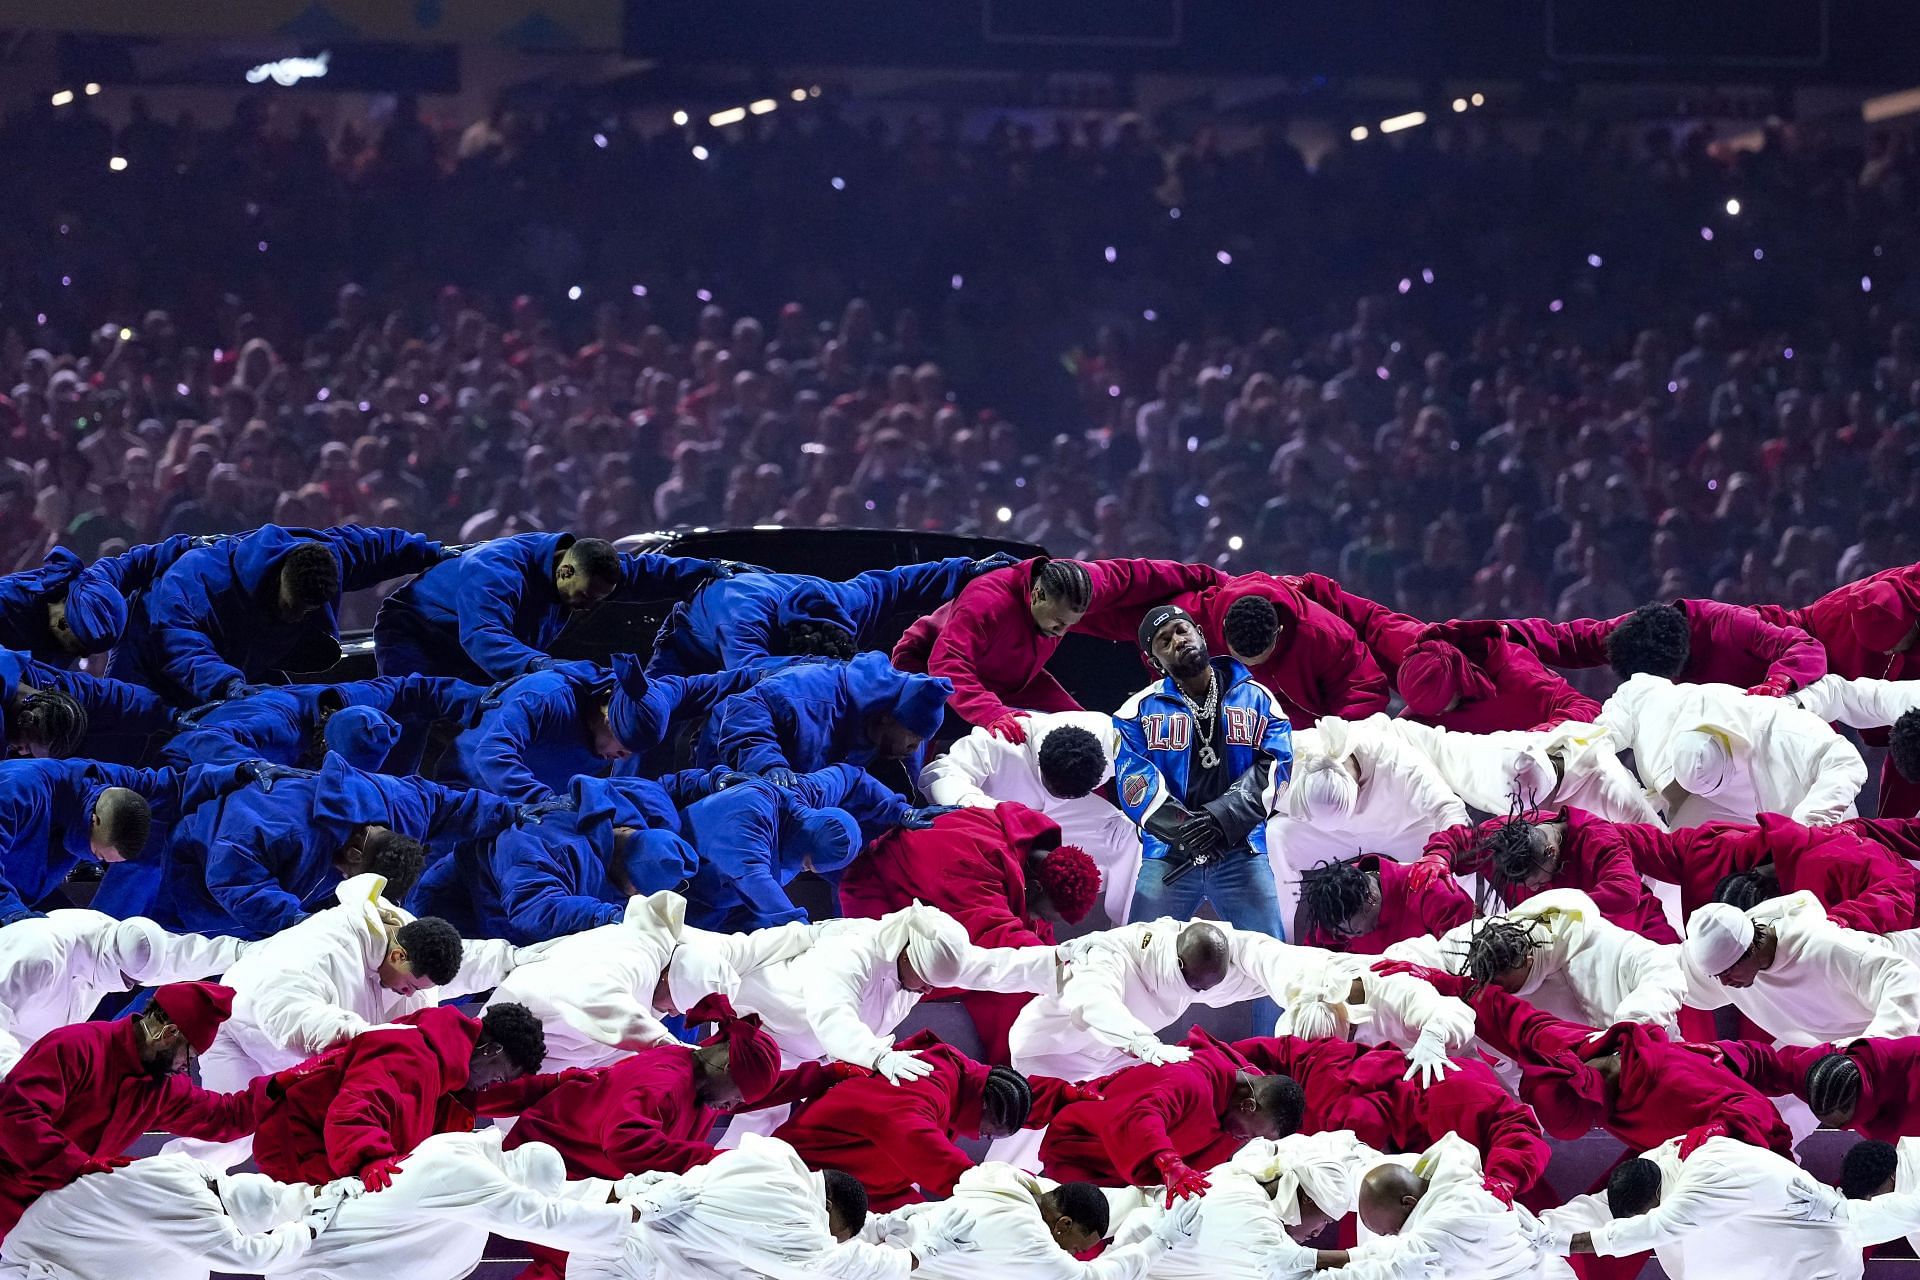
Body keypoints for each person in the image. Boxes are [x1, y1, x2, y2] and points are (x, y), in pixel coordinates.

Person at [1394, 961, 1793, 1155]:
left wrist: (1710, 1137)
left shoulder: (1674, 1089)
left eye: (1591, 1122)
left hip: (1750, 1133)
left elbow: (1756, 1111)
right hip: (1669, 1142)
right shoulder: (1563, 1050)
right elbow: (1506, 1014)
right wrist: (1435, 982)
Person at [195, 872, 525, 1093]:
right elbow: (287, 1014)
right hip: (239, 1029)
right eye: (410, 985)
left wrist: (514, 959)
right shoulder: (321, 949)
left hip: (302, 1065)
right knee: (227, 1136)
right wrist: (374, 1037)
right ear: (397, 957)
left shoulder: (413, 945)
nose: (409, 993)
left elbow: (467, 961)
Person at [135, 753, 519, 940]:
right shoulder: (278, 827)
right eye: (352, 877)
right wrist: (309, 927)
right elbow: (234, 879)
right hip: (188, 875)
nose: (345, 881)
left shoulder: (404, 807)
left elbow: (455, 805)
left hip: (277, 885)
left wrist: (515, 813)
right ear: (354, 854)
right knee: (146, 953)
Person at [0, 982, 266, 1237]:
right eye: (190, 1055)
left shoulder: (162, 1088)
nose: (187, 1066)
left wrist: (282, 1087)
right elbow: (17, 1117)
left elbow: (225, 1117)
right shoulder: (76, 1046)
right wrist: (77, 1166)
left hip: (52, 1216)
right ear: (169, 1034)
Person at [840, 803, 1101, 1061]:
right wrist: (1072, 976)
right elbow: (994, 939)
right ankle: (1023, 1072)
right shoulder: (972, 862)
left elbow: (1035, 933)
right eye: (1044, 915)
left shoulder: (1030, 856)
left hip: (940, 892)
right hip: (878, 892)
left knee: (1036, 976)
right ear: (1033, 887)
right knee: (1001, 982)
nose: (1043, 923)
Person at [109, 524, 449, 706]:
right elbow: (181, 647)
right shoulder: (200, 583)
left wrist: (434, 553)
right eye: (291, 607)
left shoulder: (320, 559)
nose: (296, 617)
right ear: (275, 583)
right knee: (123, 740)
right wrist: (227, 685)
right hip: (146, 658)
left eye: (307, 611)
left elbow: (374, 548)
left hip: (237, 661)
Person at [895, 557, 1220, 739]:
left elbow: (1144, 576)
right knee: (916, 733)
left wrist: (1217, 579)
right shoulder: (985, 602)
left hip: (1014, 676)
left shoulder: (1080, 583)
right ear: (1037, 595)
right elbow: (948, 663)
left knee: (1092, 733)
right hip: (926, 665)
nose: (1061, 632)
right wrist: (990, 712)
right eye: (1058, 623)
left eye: (1069, 625)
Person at [1115, 605, 1291, 941]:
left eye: (1182, 630)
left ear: (1200, 632)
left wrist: (1221, 819)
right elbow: (1132, 781)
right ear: (1155, 663)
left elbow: (1277, 766)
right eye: (1164, 641)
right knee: (1139, 960)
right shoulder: (1135, 712)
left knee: (1272, 962)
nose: (1177, 641)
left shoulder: (1258, 698)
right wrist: (1186, 830)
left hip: (1242, 852)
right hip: (1168, 857)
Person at [248, 1129, 634, 1280]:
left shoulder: (473, 1214)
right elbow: (533, 1217)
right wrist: (631, 1217)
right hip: (320, 1269)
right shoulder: (457, 1166)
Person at [731, 904, 1054, 1083]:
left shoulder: (934, 955)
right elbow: (832, 1014)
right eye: (925, 981)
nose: (928, 991)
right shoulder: (851, 951)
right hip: (759, 1029)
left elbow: (995, 966)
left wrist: (1060, 962)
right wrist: (877, 1055)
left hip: (809, 1057)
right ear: (904, 954)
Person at [250, 1003, 547, 1187]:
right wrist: (370, 1159)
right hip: (300, 1152)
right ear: (492, 1050)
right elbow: (358, 1105)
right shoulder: (413, 1054)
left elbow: (488, 1098)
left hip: (323, 1154)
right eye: (496, 1077)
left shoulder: (444, 1059)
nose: (489, 1087)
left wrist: (556, 1083)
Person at [569, 1133, 940, 1280]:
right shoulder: (798, 1223)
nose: (824, 1240)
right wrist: (913, 1258)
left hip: (613, 1243)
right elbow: (828, 1263)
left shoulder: (770, 1159)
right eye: (832, 1235)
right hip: (622, 1267)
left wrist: (877, 1228)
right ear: (825, 1208)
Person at [375, 532, 725, 682]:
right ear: (565, 570)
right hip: (416, 632)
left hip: (470, 648)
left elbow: (648, 571)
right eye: (585, 597)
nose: (587, 607)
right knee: (408, 717)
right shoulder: (496, 571)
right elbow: (484, 635)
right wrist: (539, 663)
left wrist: (712, 568)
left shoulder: (586, 570)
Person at [407, 774, 703, 946]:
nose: (635, 898)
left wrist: (711, 781)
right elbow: (532, 908)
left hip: (503, 934)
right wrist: (608, 916)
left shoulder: (635, 817)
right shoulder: (547, 846)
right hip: (456, 911)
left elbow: (670, 786)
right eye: (636, 892)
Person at [775, 1031, 1052, 1208]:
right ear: (985, 1109)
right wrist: (989, 1190)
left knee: (930, 1230)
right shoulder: (929, 1085)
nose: (980, 1138)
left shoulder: (962, 1079)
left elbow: (1027, 1099)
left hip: (865, 1175)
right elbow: (911, 1132)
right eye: (989, 1133)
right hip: (809, 1163)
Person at [920, 710, 1141, 925]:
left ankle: (1134, 928)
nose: (1059, 795)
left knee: (1126, 834)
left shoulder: (1108, 738)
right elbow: (939, 773)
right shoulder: (1003, 743)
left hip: (1057, 817)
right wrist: (995, 815)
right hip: (990, 819)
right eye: (1056, 789)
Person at [500, 1012, 784, 1179]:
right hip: (549, 1167)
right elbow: (626, 1143)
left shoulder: (698, 1073)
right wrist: (718, 1162)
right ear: (726, 1066)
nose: (730, 1107)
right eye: (737, 1098)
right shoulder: (664, 1084)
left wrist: (825, 1074)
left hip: (580, 1167)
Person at [1539, 1132, 1857, 1280]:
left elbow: (1655, 1228)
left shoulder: (1705, 1175)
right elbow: (1599, 1209)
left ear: (1654, 1202)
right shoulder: (1650, 1169)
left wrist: (1560, 1243)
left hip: (1820, 1262)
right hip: (1759, 1253)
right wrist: (1540, 1233)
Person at [484, 889, 740, 1071]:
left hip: (539, 1057)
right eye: (678, 1005)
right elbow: (592, 995)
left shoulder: (650, 985)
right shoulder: (634, 955)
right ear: (671, 981)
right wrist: (665, 1044)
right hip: (501, 1041)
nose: (674, 1015)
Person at [678, 764, 938, 932]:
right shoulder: (754, 812)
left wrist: (899, 810)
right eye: (807, 864)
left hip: (732, 902)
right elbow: (755, 879)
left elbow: (851, 777)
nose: (804, 870)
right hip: (683, 889)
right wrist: (807, 932)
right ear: (805, 849)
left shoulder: (807, 797)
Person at [1395, 888, 1688, 1035]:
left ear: (1530, 958)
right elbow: (1420, 956)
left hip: (1642, 1049)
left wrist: (1630, 1027)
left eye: (1507, 985)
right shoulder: (1477, 944)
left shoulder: (1598, 940)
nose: (1498, 992)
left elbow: (1666, 974)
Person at [647, 553, 999, 675]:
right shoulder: (743, 625)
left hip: (755, 608)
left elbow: (900, 582)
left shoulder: (845, 602)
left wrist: (966, 569)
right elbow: (745, 677)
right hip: (690, 637)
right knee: (643, 717)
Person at [1007, 920, 1270, 1081]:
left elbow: (1254, 978)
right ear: (1178, 962)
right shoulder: (1103, 957)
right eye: (1194, 985)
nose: (1196, 993)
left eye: (1201, 989)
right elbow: (1096, 1004)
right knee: (1025, 1134)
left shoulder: (1188, 975)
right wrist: (1145, 1044)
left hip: (1103, 1059)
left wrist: (1299, 980)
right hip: (1044, 1056)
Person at [1596, 673, 1867, 828]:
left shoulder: (1777, 726)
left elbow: (1846, 763)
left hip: (1811, 817)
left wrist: (1807, 825)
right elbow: (1601, 735)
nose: (1712, 790)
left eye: (1714, 785)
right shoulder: (1651, 703)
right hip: (1713, 814)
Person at [0, 1151, 322, 1280]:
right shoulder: (186, 1203)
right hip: (37, 1260)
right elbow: (252, 1259)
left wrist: (314, 1199)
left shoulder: (200, 1175)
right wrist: (309, 1231)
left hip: (70, 1253)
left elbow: (273, 1201)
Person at [1758, 563, 1920, 818]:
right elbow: (1843, 694)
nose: (1888, 653)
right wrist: (1788, 697)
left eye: (1891, 645)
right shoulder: (1841, 608)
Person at [863, 1160, 1204, 1280]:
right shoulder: (1026, 1236)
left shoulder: (1013, 1185)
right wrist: (1162, 1241)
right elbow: (1092, 1278)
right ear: (1064, 1225)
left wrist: (1152, 1194)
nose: (1070, 1255)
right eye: (1073, 1248)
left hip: (873, 1241)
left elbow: (1082, 1196)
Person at [1265, 716, 1468, 917]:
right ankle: (1281, 936)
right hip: (1335, 837)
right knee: (1274, 837)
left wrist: (1441, 855)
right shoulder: (1285, 762)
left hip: (1405, 829)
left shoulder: (1398, 762)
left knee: (1458, 854)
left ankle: (1473, 920)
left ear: (1357, 786)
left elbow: (1450, 808)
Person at [0, 910, 244, 1077]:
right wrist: (20, 1081)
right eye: (128, 980)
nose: (127, 986)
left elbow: (179, 957)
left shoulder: (118, 941)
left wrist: (243, 952)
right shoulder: (39, 950)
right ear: (113, 963)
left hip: (27, 1065)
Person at [1038, 1038, 1304, 1188]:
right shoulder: (1191, 1082)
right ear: (1247, 1105)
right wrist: (1169, 1163)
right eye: (1251, 1132)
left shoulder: (1245, 1087)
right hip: (1081, 1151)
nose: (1244, 1138)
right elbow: (1142, 1115)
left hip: (1120, 1171)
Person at [1681, 897, 1920, 1047]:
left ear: (1750, 947)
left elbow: (1902, 979)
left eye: (1728, 971)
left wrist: (1866, 1053)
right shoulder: (1734, 960)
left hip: (1909, 989)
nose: (1724, 982)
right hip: (1846, 1035)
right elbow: (1668, 969)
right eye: (1716, 976)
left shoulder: (1825, 947)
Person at [1424, 807, 1679, 944]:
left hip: (1634, 932)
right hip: (1553, 947)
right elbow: (1455, 842)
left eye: (1535, 882)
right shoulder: (1505, 836)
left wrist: (1546, 912)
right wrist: (1437, 858)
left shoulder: (1597, 836)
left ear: (1550, 851)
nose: (1533, 891)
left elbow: (1625, 892)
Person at [1170, 573, 1392, 729]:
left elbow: (1363, 690)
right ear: (1224, 626)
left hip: (1312, 731)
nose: (1253, 667)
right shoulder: (1191, 622)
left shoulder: (1325, 636)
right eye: (1244, 660)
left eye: (1259, 660)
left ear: (1280, 631)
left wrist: (1337, 746)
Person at [692, 650, 952, 783]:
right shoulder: (813, 691)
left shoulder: (894, 732)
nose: (915, 748)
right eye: (914, 738)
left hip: (792, 772)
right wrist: (767, 764)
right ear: (888, 718)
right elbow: (744, 709)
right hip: (727, 751)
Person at [1342, 1134, 1573, 1280]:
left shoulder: (1454, 1217)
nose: (1392, 1235)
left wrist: (1312, 1260)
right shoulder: (1445, 1184)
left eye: (1388, 1230)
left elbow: (1388, 1258)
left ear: (1408, 1203)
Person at [161, 675, 483, 775]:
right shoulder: (276, 724)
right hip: (185, 769)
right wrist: (254, 767)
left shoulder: (360, 702)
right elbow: (204, 739)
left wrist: (477, 701)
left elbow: (416, 689)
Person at [1504, 598, 1827, 695]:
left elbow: (1805, 646)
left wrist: (1778, 683)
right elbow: (1569, 640)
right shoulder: (1634, 633)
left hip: (1787, 727)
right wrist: (1500, 633)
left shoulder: (1731, 625)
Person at [0, 758, 160, 924]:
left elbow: (168, 785)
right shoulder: (16, 791)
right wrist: (13, 914)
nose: (94, 861)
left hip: (22, 892)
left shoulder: (97, 793)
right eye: (99, 856)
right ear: (94, 821)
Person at [1391, 619, 1602, 734]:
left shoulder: (1518, 674)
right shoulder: (1422, 709)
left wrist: (1541, 738)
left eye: (1441, 707)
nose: (1437, 716)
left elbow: (1586, 707)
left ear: (1459, 684)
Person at [1293, 850, 1473, 953]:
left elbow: (1473, 958)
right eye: (1346, 933)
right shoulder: (1335, 907)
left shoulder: (1432, 892)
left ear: (1370, 899)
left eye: (1357, 931)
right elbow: (1315, 961)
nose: (1351, 937)